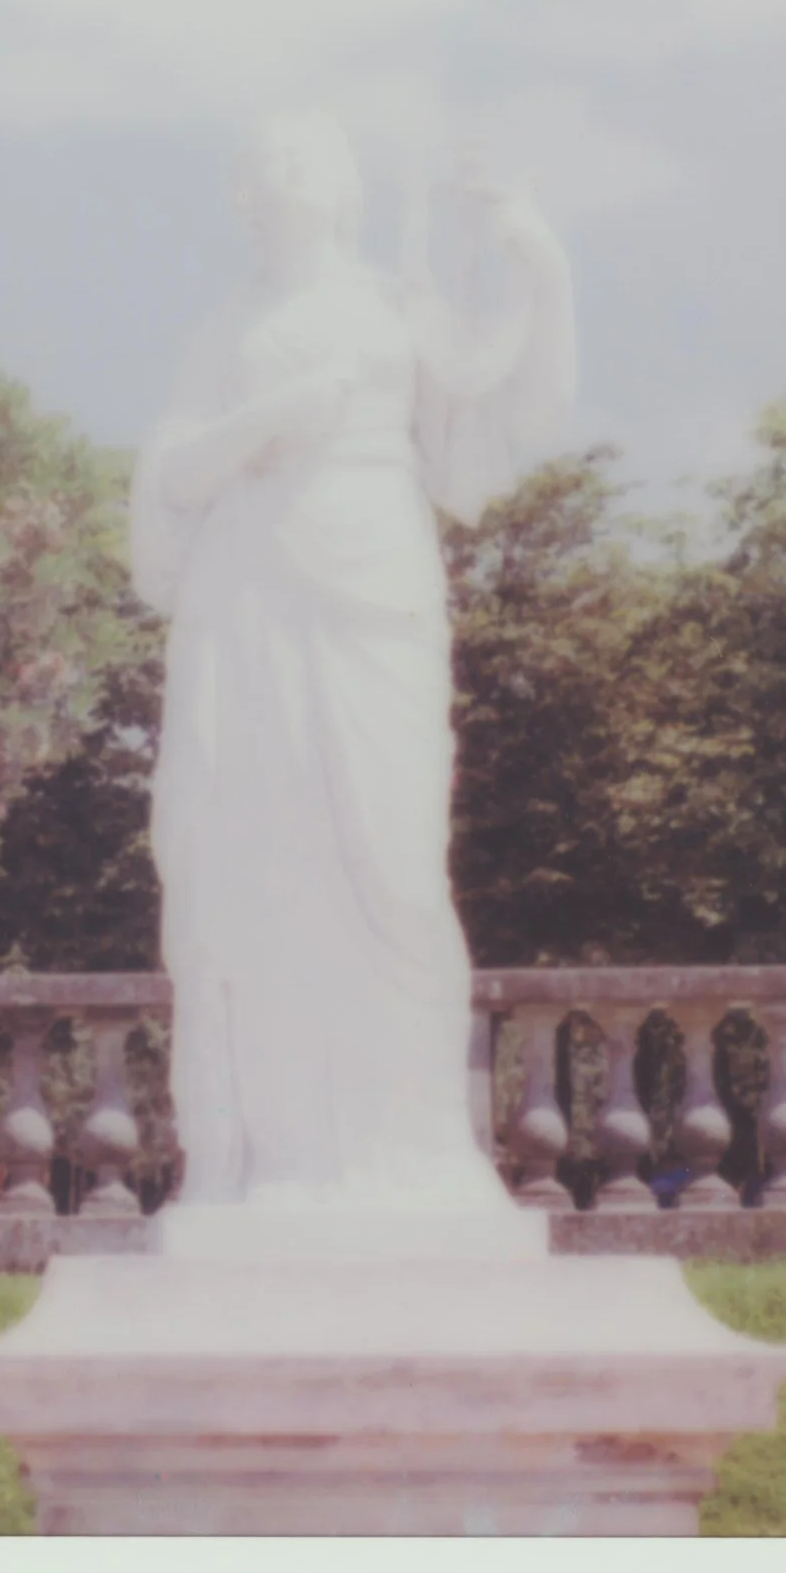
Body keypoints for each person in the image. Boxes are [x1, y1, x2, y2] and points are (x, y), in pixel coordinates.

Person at [128, 112, 574, 1212]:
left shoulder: (393, 298)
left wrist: (534, 261)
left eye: (311, 155)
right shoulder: (227, 323)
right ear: (245, 195)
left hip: (375, 572)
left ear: (345, 188)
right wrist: (265, 419)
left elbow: (484, 386)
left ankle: (409, 1149)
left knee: (394, 862)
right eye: (268, 157)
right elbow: (174, 468)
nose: (290, 169)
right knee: (265, 869)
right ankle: (287, 1156)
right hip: (253, 590)